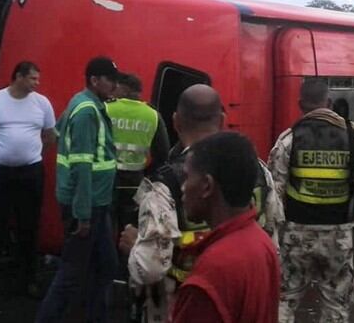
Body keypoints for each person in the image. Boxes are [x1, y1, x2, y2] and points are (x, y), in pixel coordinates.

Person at [119, 84, 283, 323]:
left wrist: (133, 246)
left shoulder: (164, 184)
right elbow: (273, 236)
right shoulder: (256, 169)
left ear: (175, 121)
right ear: (223, 119)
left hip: (178, 308)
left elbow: (150, 269)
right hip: (240, 297)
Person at [269, 77, 354, 323]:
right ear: (329, 102)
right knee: (336, 302)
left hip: (296, 234)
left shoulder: (289, 139)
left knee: (285, 298)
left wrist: (277, 229)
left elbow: (274, 192)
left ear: (300, 104)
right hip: (339, 234)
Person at [36, 56, 120, 323]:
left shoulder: (82, 102)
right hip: (88, 206)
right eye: (110, 80)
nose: (114, 86)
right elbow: (82, 165)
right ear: (95, 80)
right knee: (71, 274)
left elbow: (58, 132)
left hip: (98, 203)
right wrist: (82, 215)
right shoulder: (87, 111)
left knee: (106, 265)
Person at [169, 131, 280, 323]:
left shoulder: (211, 272)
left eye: (188, 178)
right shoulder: (261, 242)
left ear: (207, 186)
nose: (183, 187)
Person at [0, 61, 56, 299]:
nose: (37, 83)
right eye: (33, 79)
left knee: (29, 226)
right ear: (18, 76)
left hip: (30, 172)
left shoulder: (42, 103)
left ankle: (28, 280)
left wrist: (32, 154)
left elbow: (50, 136)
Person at [106, 72, 170, 233]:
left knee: (105, 225)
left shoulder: (106, 108)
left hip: (106, 178)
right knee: (129, 228)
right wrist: (145, 172)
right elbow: (162, 154)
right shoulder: (153, 115)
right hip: (134, 181)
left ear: (125, 89)